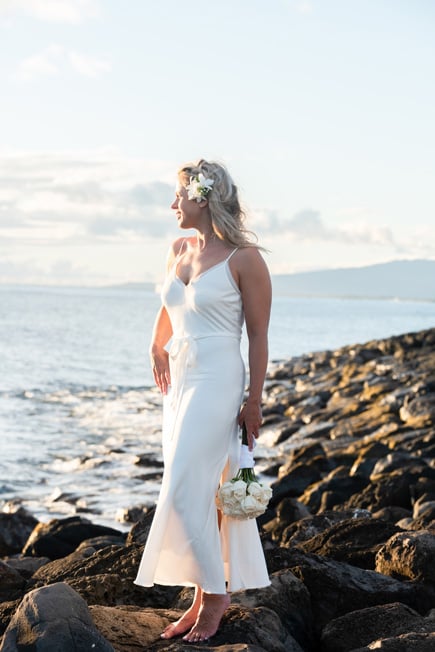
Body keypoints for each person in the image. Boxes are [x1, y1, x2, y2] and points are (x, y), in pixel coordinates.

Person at [134, 159, 272, 643]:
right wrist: (156, 345)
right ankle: (200, 592)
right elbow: (170, 306)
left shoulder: (245, 259)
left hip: (218, 380)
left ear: (203, 197)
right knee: (190, 486)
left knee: (182, 487)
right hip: (181, 382)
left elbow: (257, 336)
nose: (173, 205)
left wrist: (253, 401)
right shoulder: (179, 248)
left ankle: (216, 595)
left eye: (179, 196)